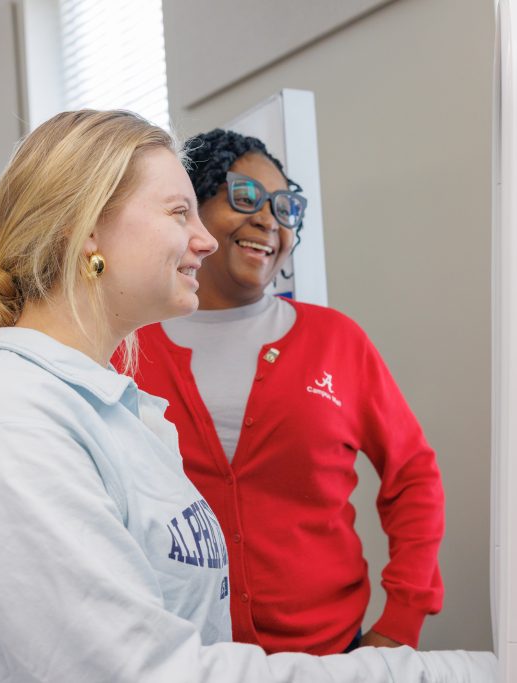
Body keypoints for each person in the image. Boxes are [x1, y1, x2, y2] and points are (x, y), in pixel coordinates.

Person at [0, 109, 495, 682]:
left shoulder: (116, 405)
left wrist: (400, 627)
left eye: (284, 206)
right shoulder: (8, 431)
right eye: (180, 213)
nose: (204, 240)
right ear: (87, 230)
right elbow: (147, 672)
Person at [121, 129, 445, 655]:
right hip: (180, 658)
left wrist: (401, 621)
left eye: (284, 207)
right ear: (191, 213)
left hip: (330, 656)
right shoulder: (127, 349)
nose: (268, 219)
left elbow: (413, 476)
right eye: (245, 196)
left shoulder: (336, 341)